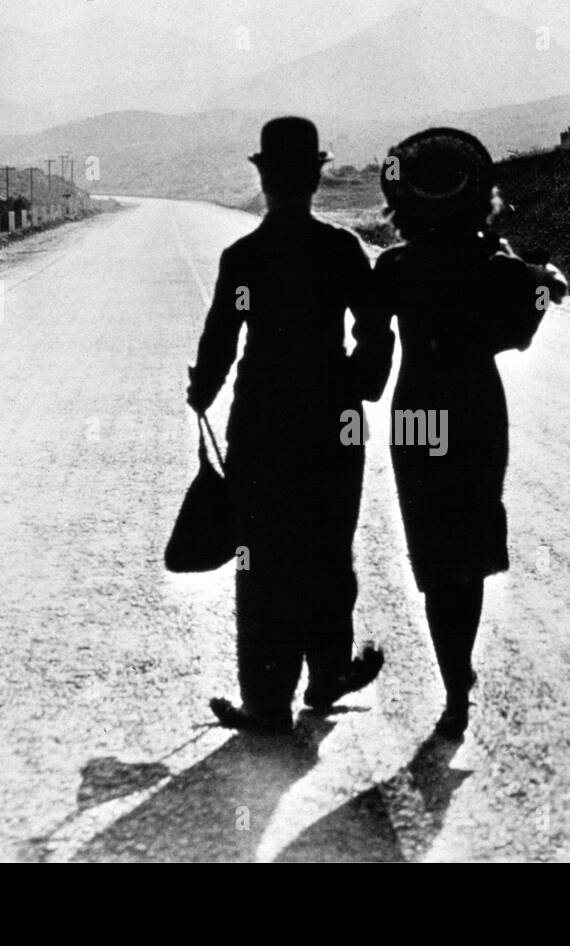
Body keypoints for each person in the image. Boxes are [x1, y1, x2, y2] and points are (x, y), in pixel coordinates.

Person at [358, 127, 567, 739]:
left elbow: (371, 370)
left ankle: (453, 678)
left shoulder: (394, 266)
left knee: (431, 546)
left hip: (418, 413)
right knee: (469, 546)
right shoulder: (499, 268)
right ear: (478, 196)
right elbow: (520, 331)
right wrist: (538, 281)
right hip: (476, 410)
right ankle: (457, 685)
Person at [187, 117, 389, 734]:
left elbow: (221, 341)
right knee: (328, 547)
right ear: (315, 178)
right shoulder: (342, 249)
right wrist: (355, 385)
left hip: (262, 426)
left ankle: (268, 700)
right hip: (336, 424)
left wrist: (203, 393)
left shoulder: (243, 257)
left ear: (264, 178)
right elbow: (377, 330)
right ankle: (326, 675)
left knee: (262, 558)